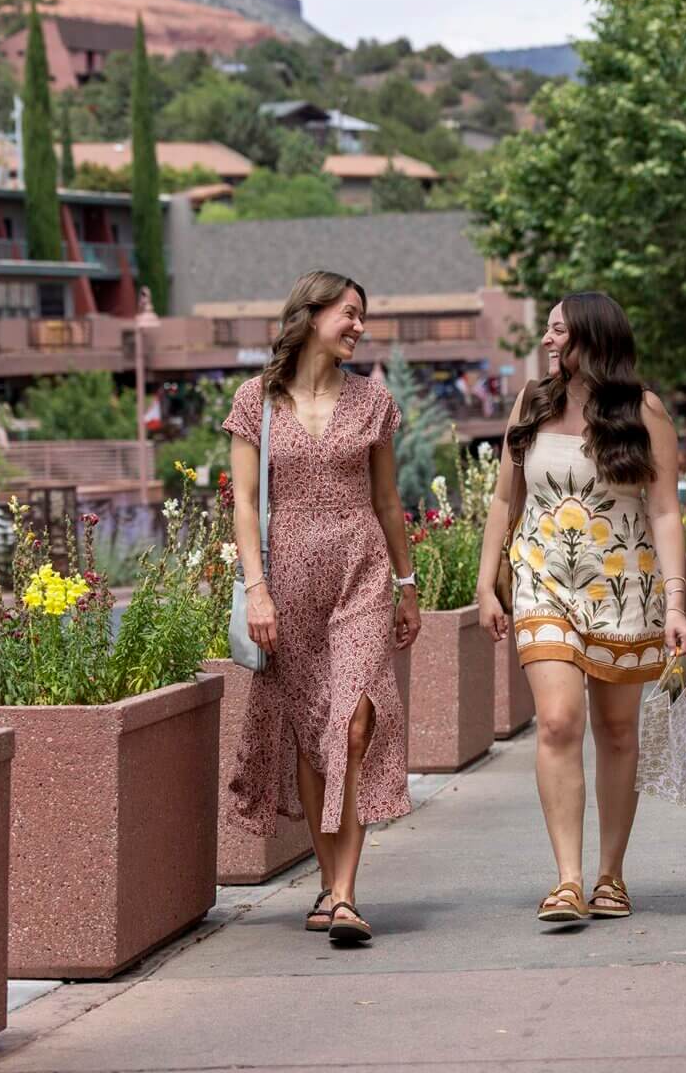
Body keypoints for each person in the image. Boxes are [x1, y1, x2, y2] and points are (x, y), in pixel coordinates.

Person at [475, 293, 686, 924]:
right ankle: (567, 880)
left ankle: (610, 876)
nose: (547, 342)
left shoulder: (643, 412)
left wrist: (676, 605)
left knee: (619, 733)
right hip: (544, 583)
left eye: (558, 331)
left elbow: (664, 512)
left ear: (592, 338)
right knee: (558, 721)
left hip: (624, 592)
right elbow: (503, 502)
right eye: (546, 330)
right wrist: (487, 583)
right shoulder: (533, 404)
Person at [226, 269, 420, 945]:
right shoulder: (256, 401)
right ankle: (327, 878)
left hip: (360, 571)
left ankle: (344, 893)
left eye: (361, 315)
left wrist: (408, 583)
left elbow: (389, 502)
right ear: (311, 316)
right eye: (350, 314)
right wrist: (257, 589)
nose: (359, 327)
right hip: (288, 585)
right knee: (314, 732)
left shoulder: (374, 402)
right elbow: (245, 506)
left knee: (355, 722)